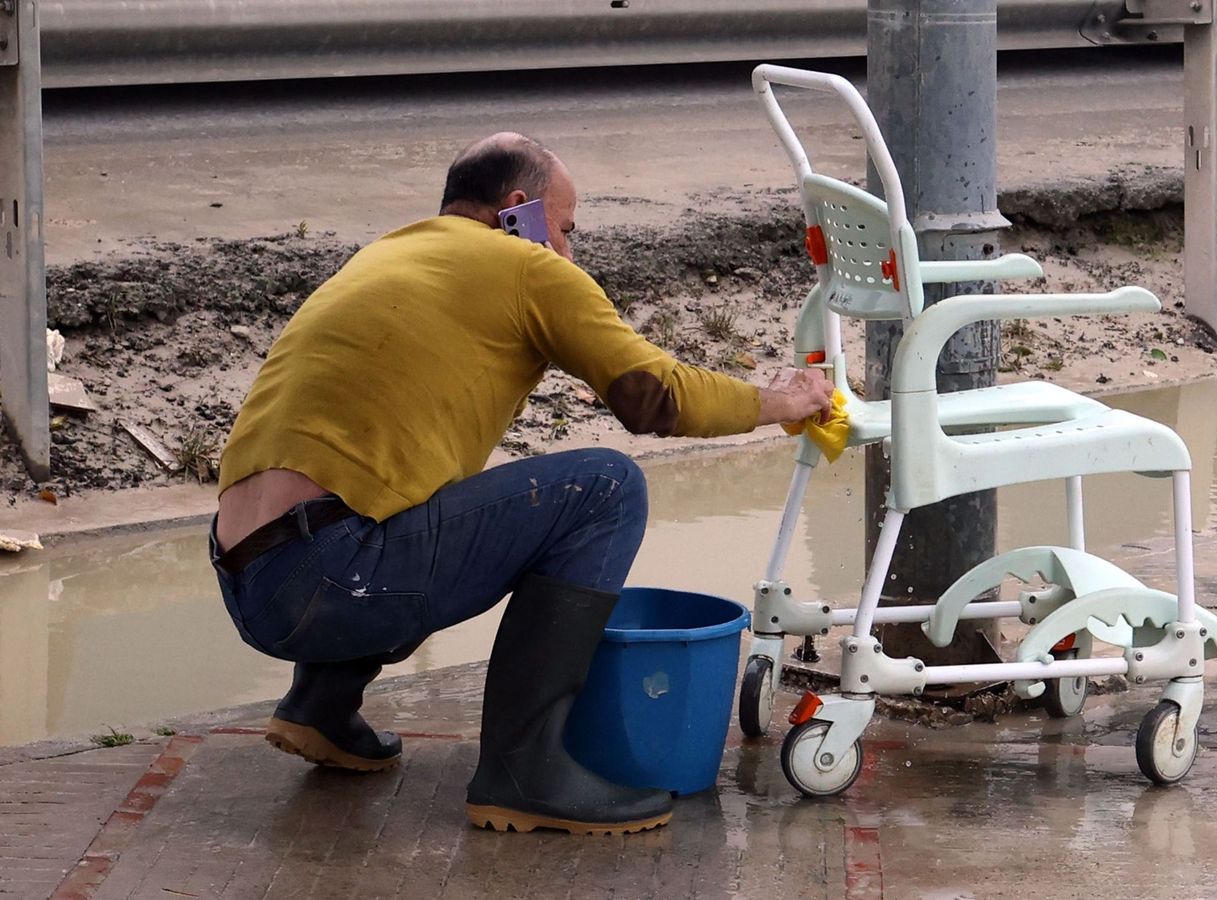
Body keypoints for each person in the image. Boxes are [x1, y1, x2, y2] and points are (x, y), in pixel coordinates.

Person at [209, 132, 832, 837]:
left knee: (422, 502)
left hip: (250, 576)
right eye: (565, 229)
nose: (568, 251)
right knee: (605, 486)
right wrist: (781, 400)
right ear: (518, 211)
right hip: (331, 578)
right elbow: (653, 396)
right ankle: (523, 770)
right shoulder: (526, 265)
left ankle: (319, 704)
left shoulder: (390, 253)